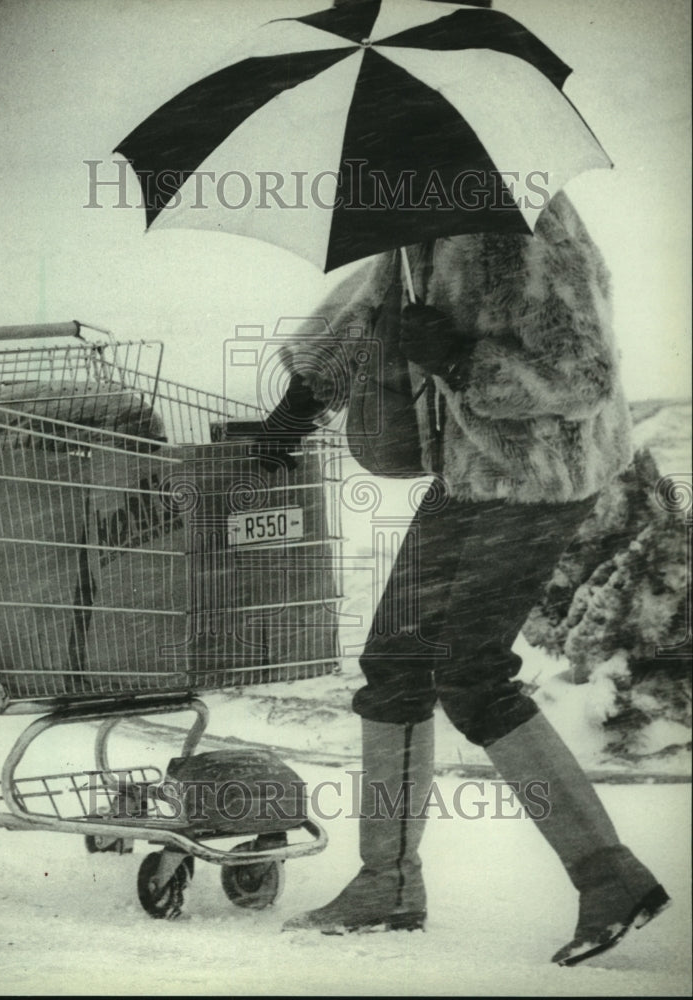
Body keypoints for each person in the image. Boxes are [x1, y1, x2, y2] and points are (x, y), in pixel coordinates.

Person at [255, 190, 669, 966]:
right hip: (468, 474)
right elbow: (361, 315)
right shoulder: (420, 221)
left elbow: (582, 374)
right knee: (393, 664)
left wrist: (454, 358)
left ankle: (609, 877)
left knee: (469, 673)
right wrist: (289, 417)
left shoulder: (528, 225)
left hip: (544, 474)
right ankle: (386, 882)